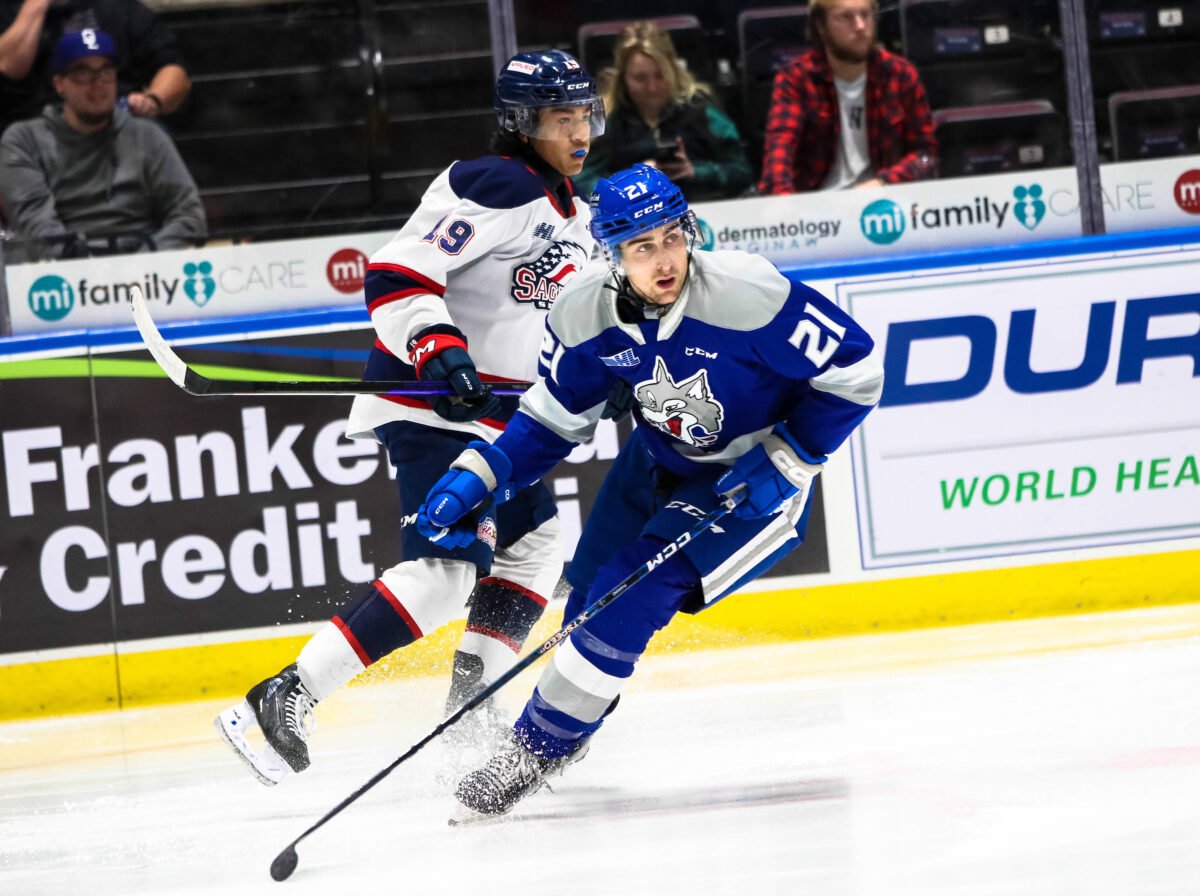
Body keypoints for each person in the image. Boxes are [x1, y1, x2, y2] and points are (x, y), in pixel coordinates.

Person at [417, 163, 884, 817]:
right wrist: (482, 475)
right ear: (612, 255)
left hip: (745, 482)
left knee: (626, 597)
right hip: (654, 462)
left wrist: (791, 456)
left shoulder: (749, 294)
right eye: (641, 247)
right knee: (584, 603)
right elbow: (551, 421)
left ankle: (533, 750)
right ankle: (566, 731)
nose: (664, 260)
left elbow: (858, 369)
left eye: (672, 237)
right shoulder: (581, 314)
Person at [213, 49, 609, 787]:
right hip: (432, 405)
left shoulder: (573, 212)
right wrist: (440, 353)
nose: (578, 130)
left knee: (533, 546)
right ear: (524, 125)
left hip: (499, 422)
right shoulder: (495, 183)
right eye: (561, 117)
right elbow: (397, 272)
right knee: (447, 566)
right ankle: (283, 695)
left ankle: (472, 712)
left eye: (584, 113)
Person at [0, 28, 205, 258]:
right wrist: (93, 272)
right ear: (60, 84)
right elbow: (35, 225)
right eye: (83, 73)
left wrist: (142, 264)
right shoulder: (24, 140)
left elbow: (189, 216)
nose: (97, 84)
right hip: (64, 276)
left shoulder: (148, 136)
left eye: (106, 71)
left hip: (144, 276)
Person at [758, 0, 937, 194]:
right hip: (817, 208)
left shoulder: (900, 74)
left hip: (884, 202)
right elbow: (780, 147)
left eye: (866, 15)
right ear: (821, 26)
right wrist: (782, 201)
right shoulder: (797, 79)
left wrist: (883, 182)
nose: (860, 26)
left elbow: (926, 155)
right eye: (845, 17)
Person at [574, 20, 751, 202]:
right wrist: (629, 184)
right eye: (640, 78)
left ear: (673, 71)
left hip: (702, 209)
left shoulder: (700, 108)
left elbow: (742, 172)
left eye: (660, 76)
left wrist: (695, 171)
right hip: (632, 221)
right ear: (623, 77)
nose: (652, 88)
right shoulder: (607, 118)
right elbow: (579, 180)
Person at [0, 0, 190, 135]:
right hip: (37, 132)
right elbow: (8, 66)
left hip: (116, 124)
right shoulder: (10, 10)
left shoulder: (121, 8)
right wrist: (36, 5)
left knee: (153, 135)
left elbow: (172, 69)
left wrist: (152, 101)